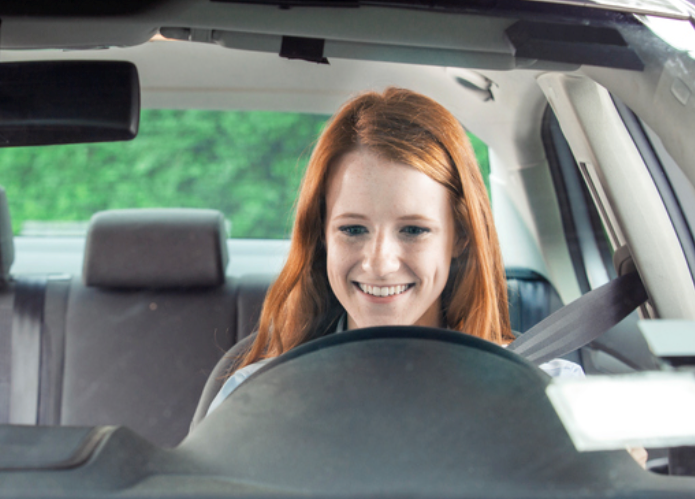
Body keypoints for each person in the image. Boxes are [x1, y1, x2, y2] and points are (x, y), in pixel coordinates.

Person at [205, 87, 586, 418]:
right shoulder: (253, 398)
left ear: (461, 236)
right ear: (321, 236)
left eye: (414, 230)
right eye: (352, 229)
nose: (380, 263)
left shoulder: (551, 391)